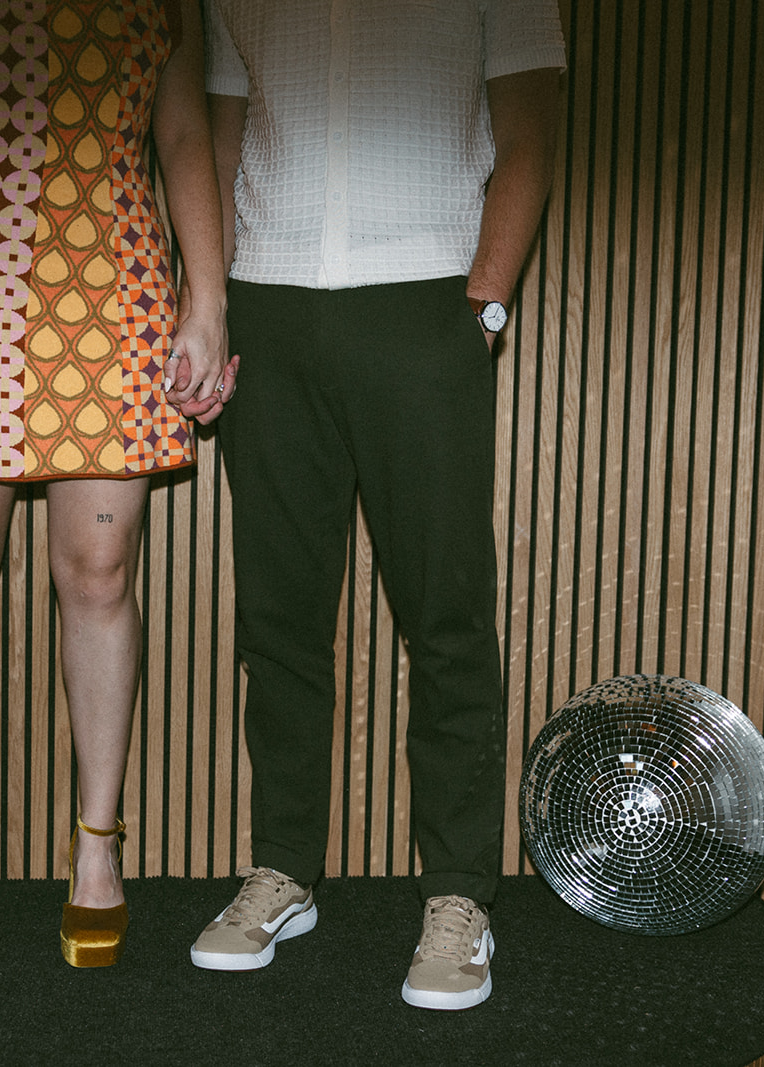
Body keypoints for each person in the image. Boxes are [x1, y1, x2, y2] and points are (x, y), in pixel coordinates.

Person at [190, 0, 565, 1010]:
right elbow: (221, 139)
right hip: (266, 309)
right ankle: (282, 870)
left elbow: (530, 132)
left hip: (426, 306)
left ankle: (458, 897)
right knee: (278, 619)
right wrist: (214, 301)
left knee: (446, 621)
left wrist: (481, 308)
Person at [0, 0, 234, 972]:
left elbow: (184, 130)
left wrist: (207, 297)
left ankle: (97, 845)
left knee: (100, 571)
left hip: (112, 281)